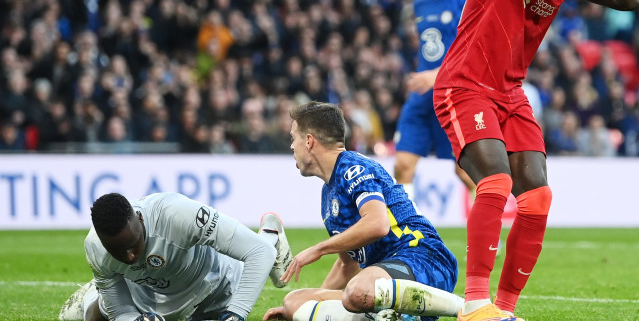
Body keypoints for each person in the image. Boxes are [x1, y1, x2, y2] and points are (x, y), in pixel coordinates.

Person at [432, 0, 639, 321]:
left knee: (538, 199)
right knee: (495, 182)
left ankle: (505, 310)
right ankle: (475, 303)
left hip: (511, 94)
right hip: (466, 85)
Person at [263, 101, 464, 321]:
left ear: (309, 141)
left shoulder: (353, 167)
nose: (292, 146)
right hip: (383, 277)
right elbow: (347, 264)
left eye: (294, 138)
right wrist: (310, 307)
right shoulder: (328, 193)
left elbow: (378, 224)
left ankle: (464, 308)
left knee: (358, 291)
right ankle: (395, 316)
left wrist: (319, 249)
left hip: (424, 258)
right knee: (294, 302)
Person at [58, 192, 294, 321]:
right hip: (150, 296)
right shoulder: (96, 247)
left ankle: (271, 234)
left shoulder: (177, 215)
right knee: (77, 317)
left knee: (263, 256)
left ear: (140, 219)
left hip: (214, 285)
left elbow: (259, 252)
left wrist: (236, 314)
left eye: (133, 244)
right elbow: (122, 312)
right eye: (117, 251)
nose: (129, 257)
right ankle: (98, 293)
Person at [393, 0, 475, 197]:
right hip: (422, 98)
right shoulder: (419, 5)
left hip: (454, 96)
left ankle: (489, 221)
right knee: (402, 166)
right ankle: (406, 223)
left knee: (465, 171)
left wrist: (437, 75)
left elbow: (475, 52)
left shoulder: (467, 1)